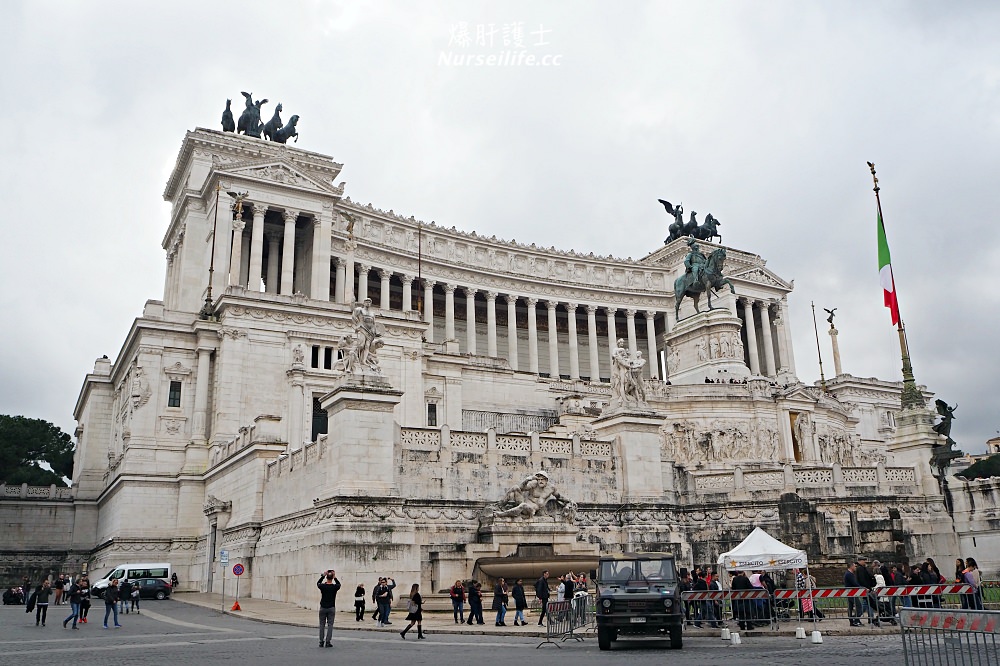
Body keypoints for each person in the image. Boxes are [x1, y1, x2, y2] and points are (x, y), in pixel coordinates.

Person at [316, 569, 341, 648]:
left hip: (323, 607)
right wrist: (335, 577)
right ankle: (328, 641)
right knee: (330, 625)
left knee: (321, 625)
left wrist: (323, 575)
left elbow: (318, 583)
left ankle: (321, 641)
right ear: (332, 578)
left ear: (326, 578)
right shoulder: (334, 587)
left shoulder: (323, 586)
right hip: (331, 607)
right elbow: (339, 584)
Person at [855, 557, 878, 626]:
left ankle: (870, 618)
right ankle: (856, 617)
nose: (865, 562)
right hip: (865, 589)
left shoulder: (862, 568)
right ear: (860, 561)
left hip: (867, 588)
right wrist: (865, 587)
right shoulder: (860, 569)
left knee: (868, 604)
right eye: (864, 560)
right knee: (865, 604)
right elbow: (862, 579)